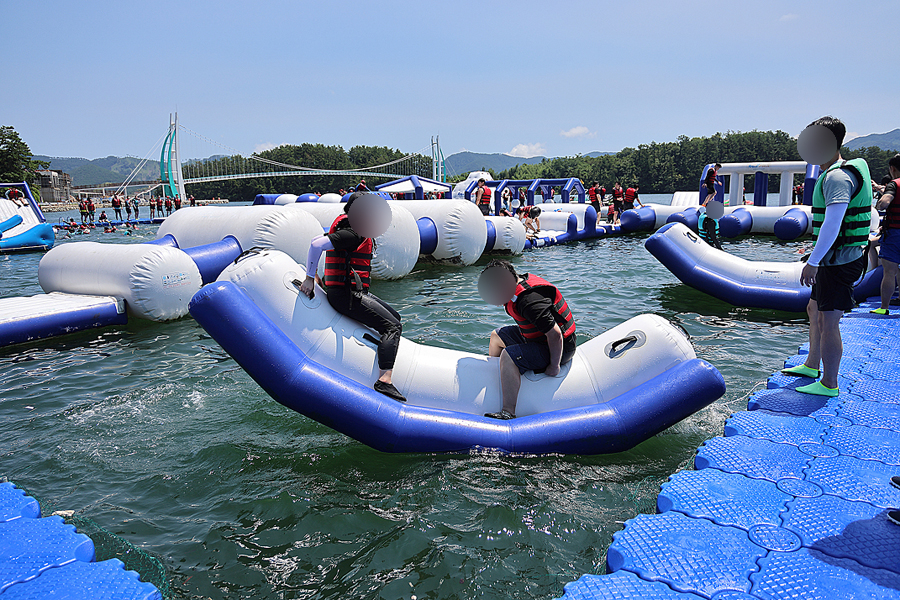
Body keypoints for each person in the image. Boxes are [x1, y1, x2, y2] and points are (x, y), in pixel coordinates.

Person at [781, 117, 872, 397]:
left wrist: (813, 262)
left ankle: (829, 383)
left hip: (839, 261)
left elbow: (833, 223)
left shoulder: (836, 177)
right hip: (833, 258)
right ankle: (811, 364)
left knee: (829, 321)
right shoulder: (836, 172)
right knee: (814, 310)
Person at [298, 192, 406, 403]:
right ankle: (384, 380)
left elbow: (318, 241)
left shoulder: (349, 227)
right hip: (346, 296)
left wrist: (318, 276)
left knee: (396, 317)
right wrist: (310, 278)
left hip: (349, 292)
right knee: (392, 326)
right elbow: (316, 245)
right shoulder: (354, 232)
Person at [479, 259, 577, 419]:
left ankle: (508, 412)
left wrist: (554, 366)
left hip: (560, 348)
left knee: (509, 355)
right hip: (537, 338)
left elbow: (555, 334)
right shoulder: (517, 286)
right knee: (496, 336)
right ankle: (498, 376)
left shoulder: (528, 302)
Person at [871, 154, 900, 315]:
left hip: (895, 234)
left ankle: (884, 307)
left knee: (890, 272)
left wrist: (881, 202)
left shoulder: (893, 184)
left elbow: (884, 203)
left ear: (892, 169)